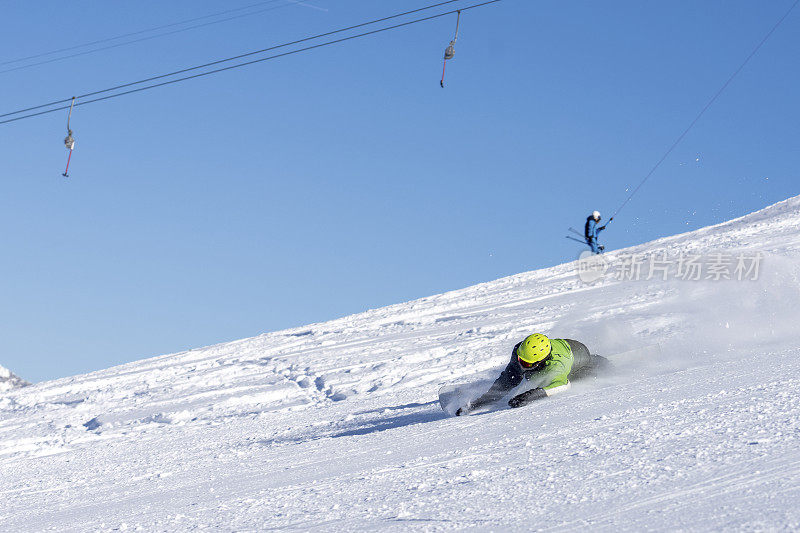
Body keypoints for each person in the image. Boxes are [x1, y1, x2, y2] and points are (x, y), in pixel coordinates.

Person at [455, 333, 610, 415]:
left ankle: (603, 364)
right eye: (520, 360)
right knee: (513, 377)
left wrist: (529, 395)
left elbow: (563, 385)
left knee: (574, 376)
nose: (522, 365)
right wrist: (478, 403)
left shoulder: (558, 366)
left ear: (541, 361)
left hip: (578, 354)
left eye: (527, 364)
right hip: (556, 347)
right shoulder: (520, 351)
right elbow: (507, 380)